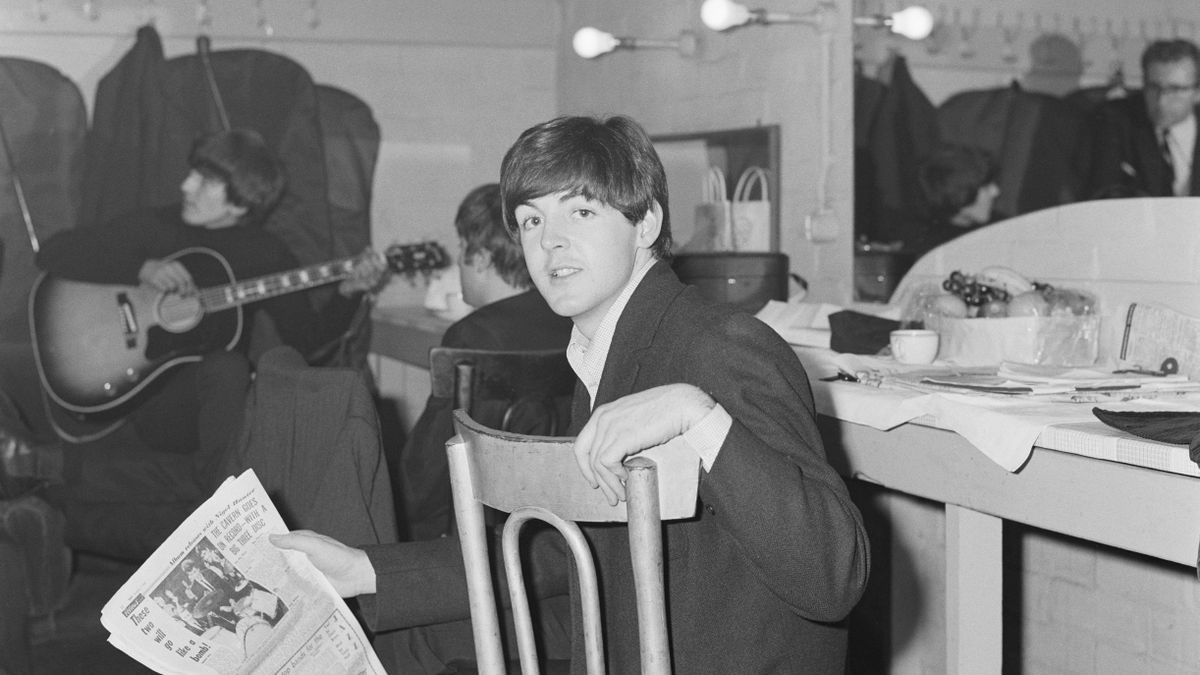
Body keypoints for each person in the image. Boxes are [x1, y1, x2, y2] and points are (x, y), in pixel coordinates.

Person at [275, 115, 870, 673]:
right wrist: (365, 570)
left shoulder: (720, 346)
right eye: (532, 221)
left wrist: (698, 414)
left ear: (647, 225)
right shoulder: (604, 350)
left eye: (580, 212)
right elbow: (574, 547)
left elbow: (832, 578)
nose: (549, 242)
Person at [0, 128, 385, 562]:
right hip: (140, 396)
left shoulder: (266, 253)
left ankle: (67, 495)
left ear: (241, 201)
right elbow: (54, 252)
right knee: (228, 377)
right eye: (192, 174)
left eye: (204, 180)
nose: (185, 186)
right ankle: (217, 509)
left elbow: (307, 343)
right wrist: (140, 267)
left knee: (226, 369)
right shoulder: (156, 225)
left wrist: (349, 293)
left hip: (194, 411)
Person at [398, 183, 573, 541]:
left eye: (462, 249)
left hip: (485, 533)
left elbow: (423, 479)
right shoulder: (572, 318)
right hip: (564, 519)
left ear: (480, 258)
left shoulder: (471, 336)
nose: (459, 259)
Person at [1086, 39, 1200, 198]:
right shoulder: (1116, 120)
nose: (1162, 100)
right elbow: (1104, 192)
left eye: (1175, 89)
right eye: (1154, 87)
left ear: (1197, 92)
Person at [914, 142, 1001, 253]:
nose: (996, 192)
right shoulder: (928, 249)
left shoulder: (1004, 228)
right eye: (986, 187)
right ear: (958, 193)